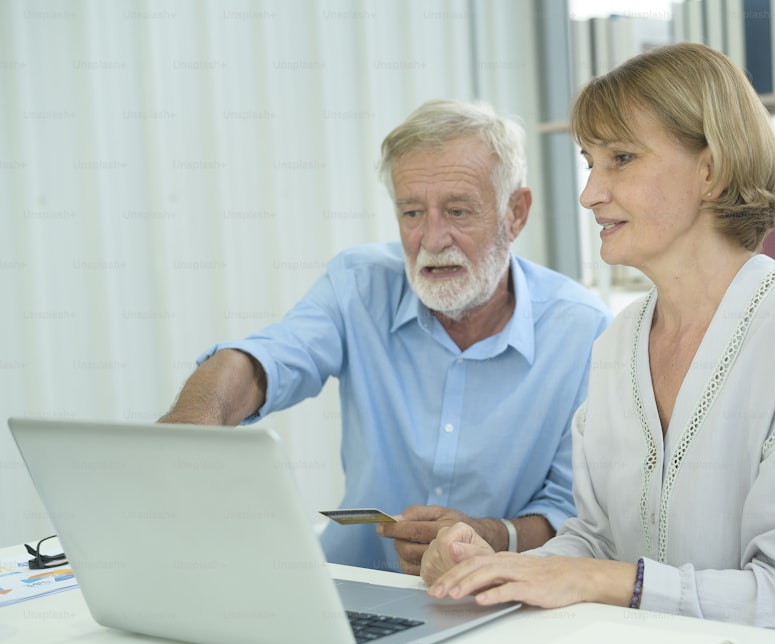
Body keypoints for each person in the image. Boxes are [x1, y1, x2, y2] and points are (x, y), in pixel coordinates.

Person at [420, 43, 775, 644]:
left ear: (711, 171)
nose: (591, 193)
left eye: (621, 158)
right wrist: (494, 568)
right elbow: (594, 541)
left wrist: (600, 580)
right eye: (590, 162)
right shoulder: (619, 341)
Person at [159, 99, 612, 575]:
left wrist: (493, 535)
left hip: (501, 603)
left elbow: (572, 509)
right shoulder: (359, 284)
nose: (432, 239)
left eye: (458, 211)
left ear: (515, 213)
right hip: (354, 588)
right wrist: (192, 426)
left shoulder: (582, 330)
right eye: (412, 213)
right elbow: (263, 363)